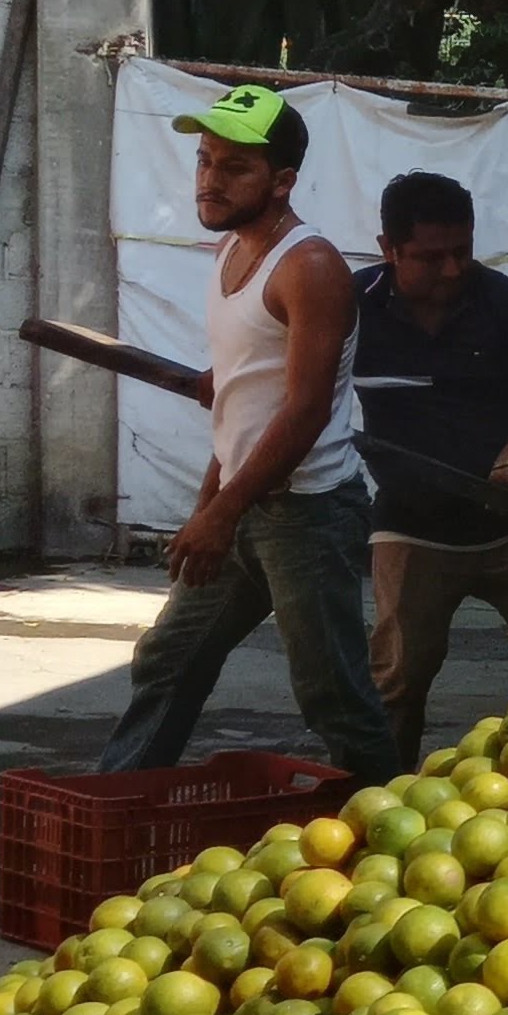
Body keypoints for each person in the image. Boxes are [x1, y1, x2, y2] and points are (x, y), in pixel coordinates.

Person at [100, 83, 399, 781]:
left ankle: (390, 828)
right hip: (245, 502)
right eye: (206, 160)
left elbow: (304, 411)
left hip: (308, 515)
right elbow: (242, 409)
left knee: (334, 698)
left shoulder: (310, 267)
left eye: (234, 168)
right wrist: (213, 505)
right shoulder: (231, 251)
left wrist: (221, 512)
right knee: (168, 661)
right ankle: (116, 802)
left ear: (283, 181)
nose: (209, 179)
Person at [353, 169, 508, 764]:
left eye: (462, 251)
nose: (453, 270)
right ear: (388, 250)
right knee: (396, 683)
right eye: (431, 258)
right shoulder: (349, 308)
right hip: (411, 527)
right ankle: (379, 800)